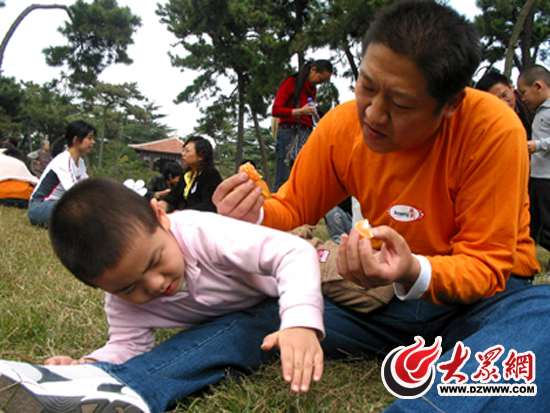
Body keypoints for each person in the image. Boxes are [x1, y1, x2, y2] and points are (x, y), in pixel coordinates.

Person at [2, 2, 549, 412]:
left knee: (539, 325)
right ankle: (122, 387)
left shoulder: (490, 129)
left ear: (449, 105)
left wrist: (413, 269)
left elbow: (487, 265)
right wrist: (253, 210)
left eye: (400, 103)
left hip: (488, 300)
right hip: (381, 305)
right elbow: (291, 208)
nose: (372, 114)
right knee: (275, 314)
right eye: (366, 86)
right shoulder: (342, 127)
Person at [0, 176, 325, 413]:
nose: (155, 284)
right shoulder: (122, 300)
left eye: (155, 260)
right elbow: (128, 346)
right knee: (235, 329)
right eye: (129, 287)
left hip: (309, 280)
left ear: (160, 217)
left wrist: (299, 322)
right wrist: (89, 363)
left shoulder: (202, 232)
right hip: (249, 317)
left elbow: (294, 254)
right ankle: (88, 380)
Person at [271, 59, 333, 192]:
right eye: (320, 79)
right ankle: (276, 204)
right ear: (313, 70)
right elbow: (276, 110)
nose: (320, 83)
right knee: (283, 178)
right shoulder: (291, 83)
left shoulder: (312, 89)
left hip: (306, 134)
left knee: (302, 178)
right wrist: (300, 111)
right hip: (289, 133)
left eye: (323, 81)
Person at [27, 120, 95, 227]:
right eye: (89, 138)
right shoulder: (63, 160)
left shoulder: (80, 162)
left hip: (58, 205)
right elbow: (74, 191)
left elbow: (87, 188)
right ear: (76, 140)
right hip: (39, 207)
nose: (93, 142)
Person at [517, 64, 550, 281]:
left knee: (548, 224)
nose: (523, 99)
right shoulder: (539, 111)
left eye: (524, 93)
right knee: (534, 222)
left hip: (548, 177)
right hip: (537, 175)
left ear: (538, 86)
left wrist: (537, 145)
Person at [159, 136, 222, 213]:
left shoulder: (210, 174)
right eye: (183, 150)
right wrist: (161, 205)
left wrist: (182, 213)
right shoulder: (186, 175)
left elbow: (209, 205)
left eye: (187, 151)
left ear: (201, 155)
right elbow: (172, 197)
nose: (183, 154)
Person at [475, 70, 534, 139]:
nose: (504, 104)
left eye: (505, 95)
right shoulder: (486, 123)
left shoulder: (531, 103)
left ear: (511, 87)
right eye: (496, 101)